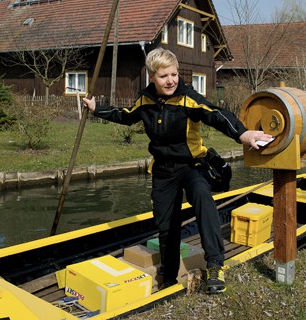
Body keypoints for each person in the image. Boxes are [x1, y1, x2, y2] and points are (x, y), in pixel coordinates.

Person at [83, 47, 271, 294]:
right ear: (152, 77)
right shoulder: (146, 100)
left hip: (191, 166)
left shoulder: (187, 98)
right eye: (164, 76)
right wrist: (98, 109)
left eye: (174, 74)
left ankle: (215, 265)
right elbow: (126, 115)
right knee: (166, 225)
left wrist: (242, 133)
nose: (171, 80)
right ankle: (169, 277)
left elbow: (215, 114)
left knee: (202, 198)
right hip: (162, 171)